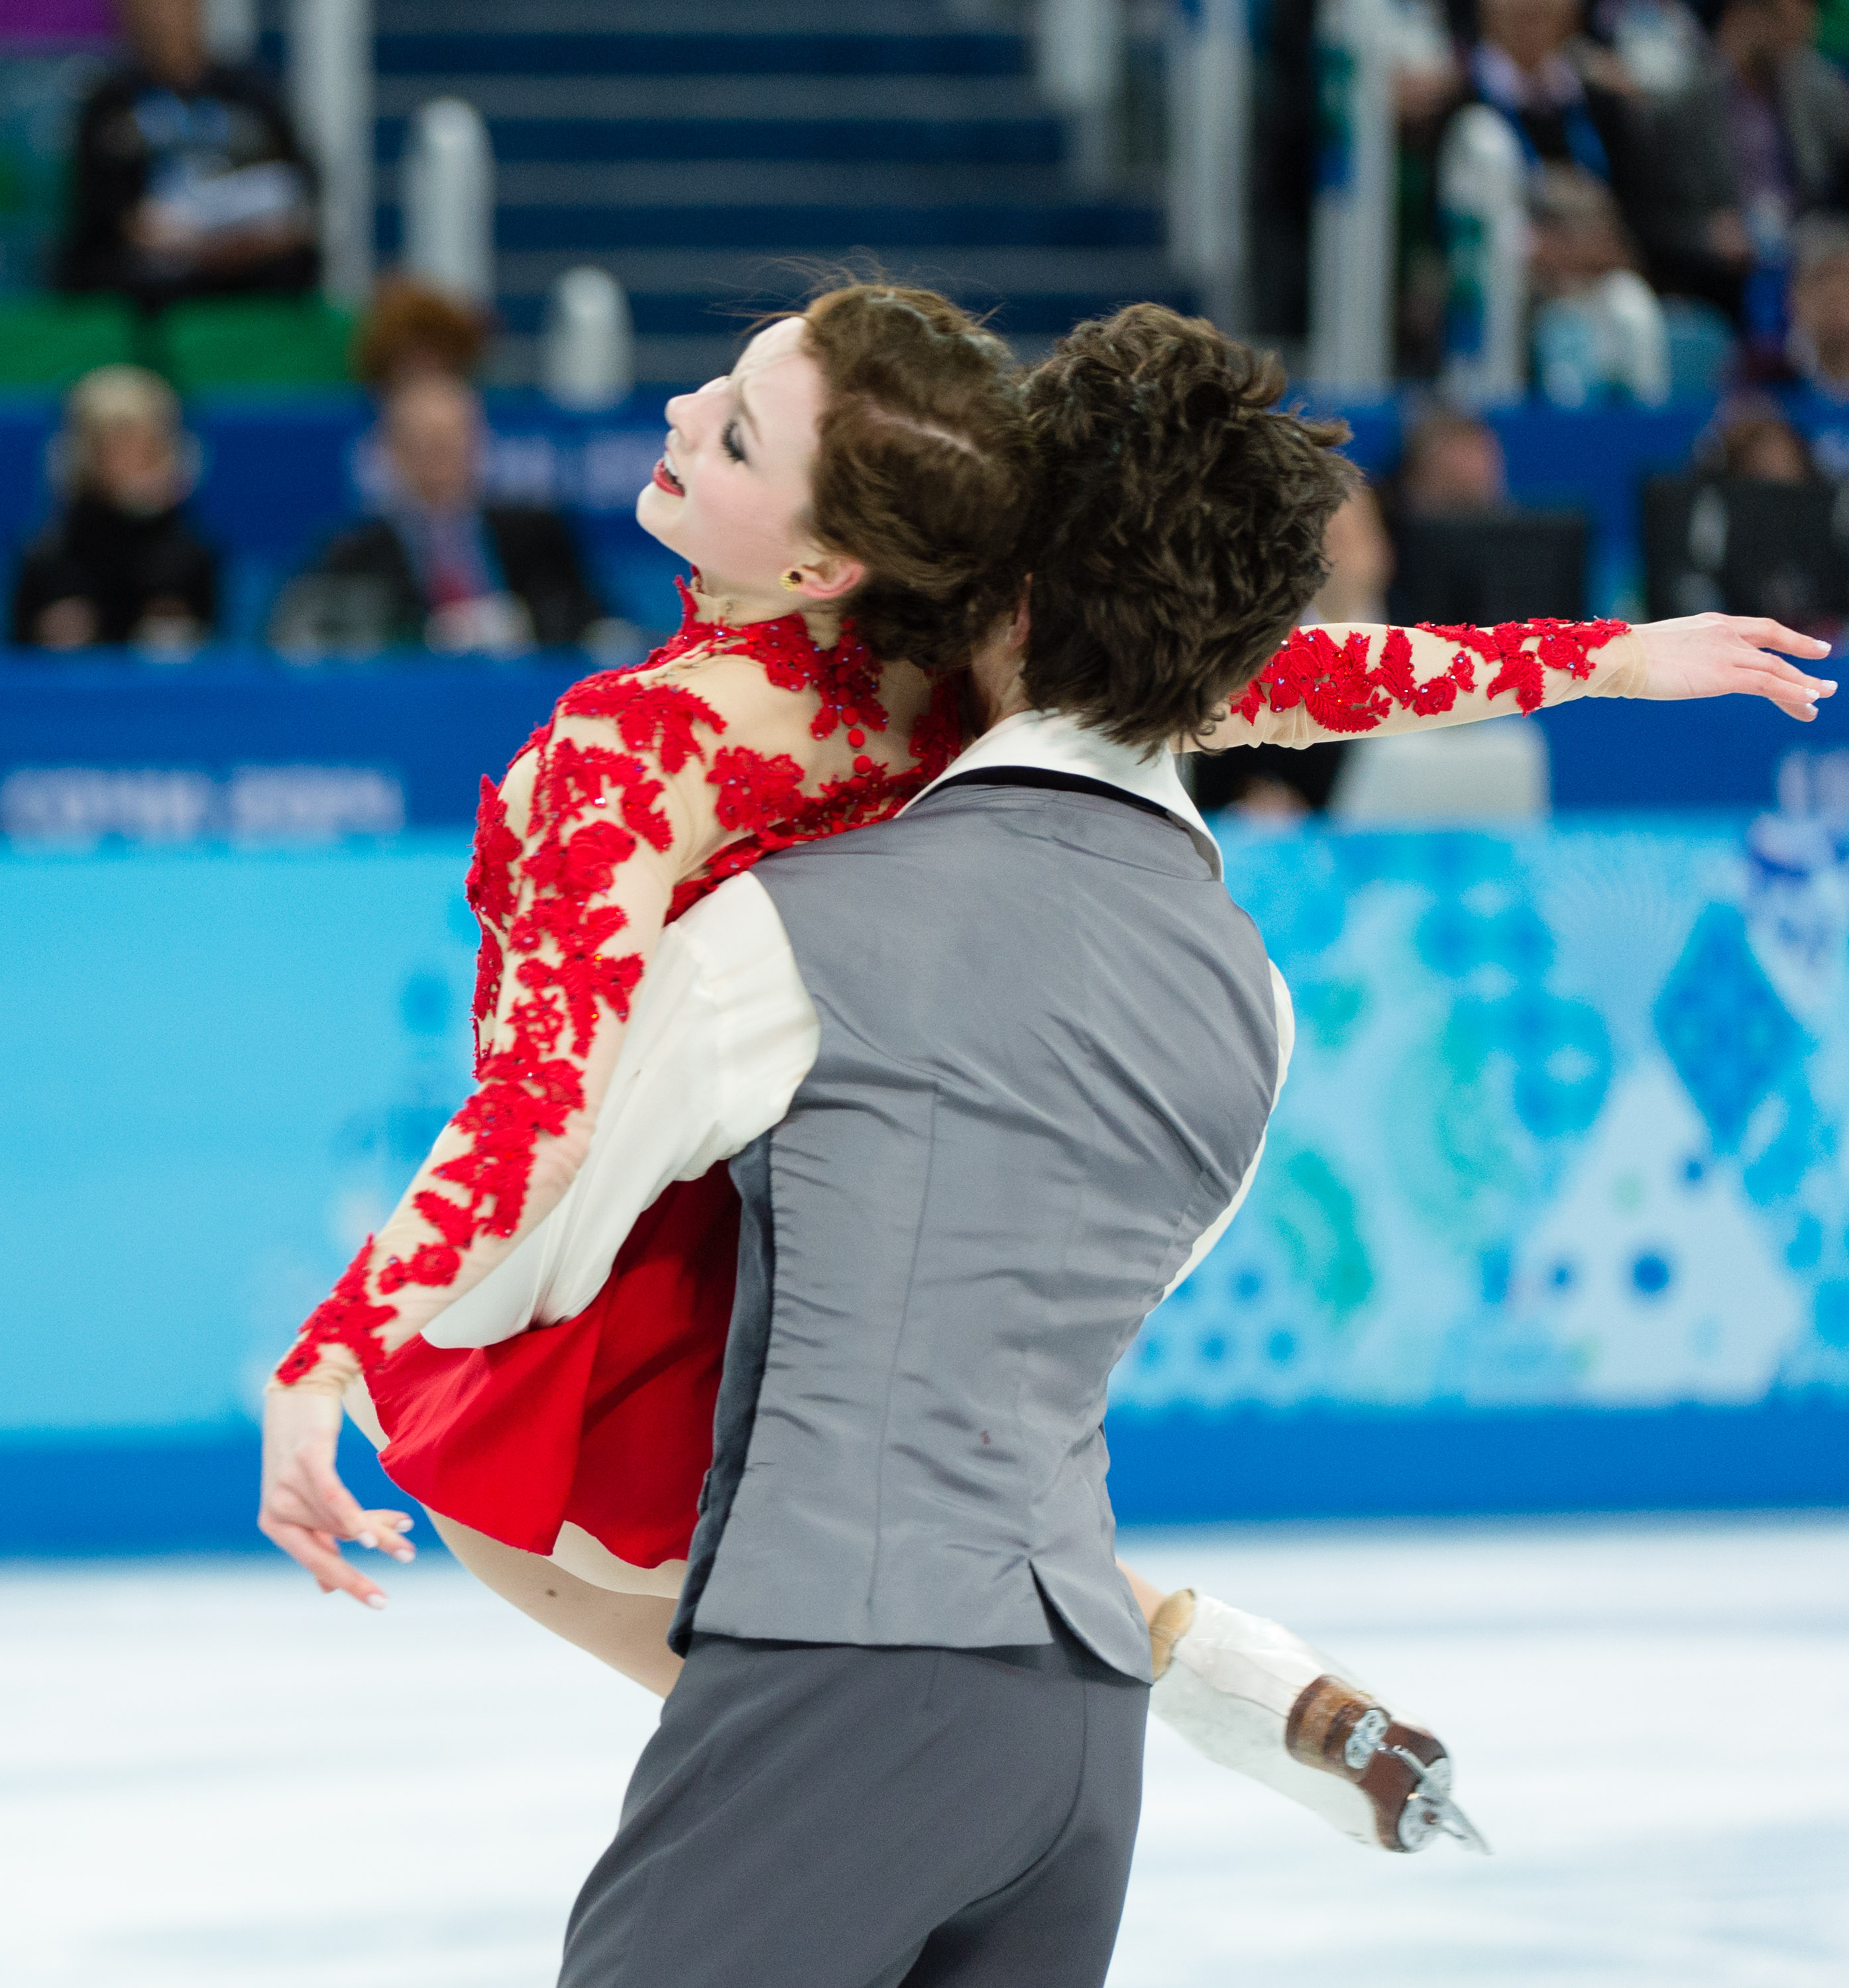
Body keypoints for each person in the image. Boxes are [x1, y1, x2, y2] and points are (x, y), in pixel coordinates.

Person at [256, 289, 1834, 1844]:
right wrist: (1610, 660)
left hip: (697, 1218)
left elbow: (543, 1109)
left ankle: (872, 1796)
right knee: (955, 1523)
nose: (672, 421)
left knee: (509, 1493)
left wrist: (324, 1350)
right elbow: (1263, 680)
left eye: (731, 429)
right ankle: (1236, 1690)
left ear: (821, 555)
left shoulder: (629, 754)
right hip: (888, 1187)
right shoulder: (964, 657)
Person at [293, 372, 605, 655]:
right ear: (392, 451)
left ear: (478, 442)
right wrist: (431, 636)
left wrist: (520, 625)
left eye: (450, 440)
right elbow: (330, 640)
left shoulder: (536, 533)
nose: (438, 457)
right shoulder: (353, 551)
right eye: (423, 443)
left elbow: (593, 622)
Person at [56, 0, 317, 311]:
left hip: (250, 258)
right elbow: (111, 214)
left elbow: (300, 197)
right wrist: (196, 247)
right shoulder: (110, 102)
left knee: (298, 266)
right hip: (159, 267)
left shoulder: (253, 92)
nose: (163, 16)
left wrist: (238, 246)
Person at [1635, 0, 1849, 326]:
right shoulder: (1680, 106)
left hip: (1805, 262)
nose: (1797, 37)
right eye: (1783, 22)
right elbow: (1648, 221)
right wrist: (1706, 235)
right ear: (1743, 16)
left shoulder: (1822, 93)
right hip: (1717, 282)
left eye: (1802, 23)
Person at [9, 363, 216, 651]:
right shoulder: (45, 559)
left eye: (139, 446)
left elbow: (219, 669)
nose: (123, 462)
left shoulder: (192, 560)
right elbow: (17, 666)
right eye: (110, 447)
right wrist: (44, 642)